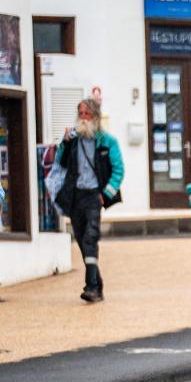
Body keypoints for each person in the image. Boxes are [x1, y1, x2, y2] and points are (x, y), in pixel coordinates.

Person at [53, 99, 124, 304]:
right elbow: (60, 162)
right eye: (80, 113)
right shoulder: (73, 140)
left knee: (90, 238)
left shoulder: (107, 141)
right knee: (83, 242)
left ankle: (91, 286)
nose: (83, 117)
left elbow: (119, 170)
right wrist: (64, 143)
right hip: (76, 196)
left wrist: (106, 194)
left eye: (87, 114)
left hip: (94, 195)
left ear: (95, 116)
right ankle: (97, 285)